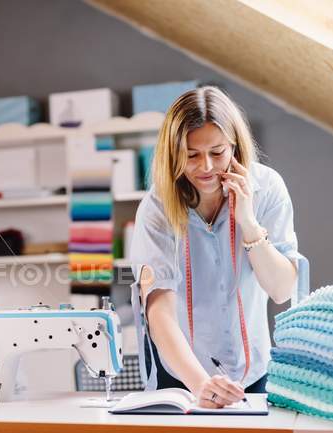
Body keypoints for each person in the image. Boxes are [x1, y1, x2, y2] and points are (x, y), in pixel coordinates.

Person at [129, 86, 309, 408]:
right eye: (192, 155)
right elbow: (159, 311)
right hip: (182, 374)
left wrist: (249, 224)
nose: (207, 167)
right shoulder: (156, 209)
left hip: (252, 370)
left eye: (217, 152)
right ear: (173, 153)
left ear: (234, 145)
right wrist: (200, 384)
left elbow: (281, 289)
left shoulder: (267, 189)